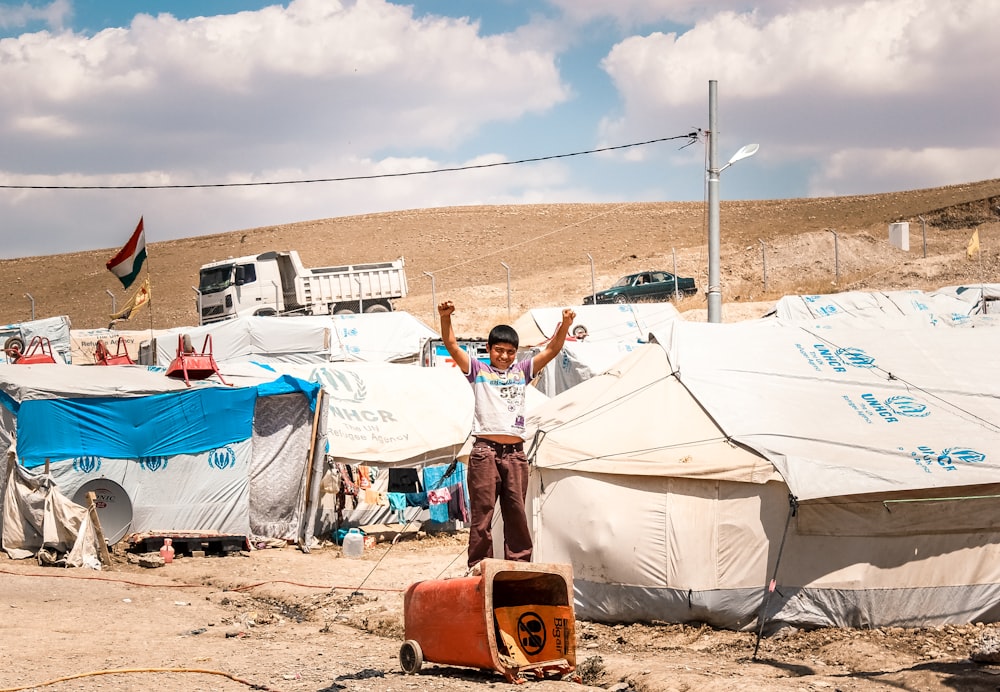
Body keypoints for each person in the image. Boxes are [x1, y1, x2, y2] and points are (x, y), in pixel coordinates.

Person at [438, 300, 576, 569]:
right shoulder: (478, 370)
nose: (504, 356)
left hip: (515, 454)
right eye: (499, 350)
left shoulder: (522, 372)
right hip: (485, 452)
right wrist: (445, 317)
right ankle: (480, 566)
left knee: (516, 513)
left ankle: (519, 565)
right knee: (482, 513)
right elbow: (452, 345)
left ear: (516, 353)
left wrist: (566, 325)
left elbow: (552, 349)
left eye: (510, 352)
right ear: (488, 349)